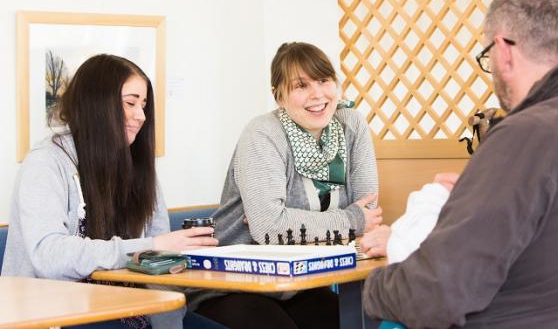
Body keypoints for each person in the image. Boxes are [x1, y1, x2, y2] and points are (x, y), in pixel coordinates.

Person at [362, 0, 558, 328]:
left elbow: (434, 295)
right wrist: (481, 192)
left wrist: (372, 288)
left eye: (487, 56)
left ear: (503, 50)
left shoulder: (528, 134)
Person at [2, 54, 223, 329]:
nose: (141, 116)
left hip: (135, 309)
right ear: (96, 105)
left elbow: (162, 268)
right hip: (59, 312)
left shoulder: (140, 167)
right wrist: (149, 247)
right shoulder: (46, 162)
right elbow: (49, 255)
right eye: (130, 103)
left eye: (143, 105)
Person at [192, 42, 382, 329]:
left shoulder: (351, 125)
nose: (317, 94)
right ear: (278, 96)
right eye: (301, 85)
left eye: (323, 80)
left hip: (297, 284)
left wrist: (291, 223)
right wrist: (350, 220)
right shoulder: (263, 133)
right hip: (230, 284)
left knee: (360, 322)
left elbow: (369, 214)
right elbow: (269, 228)